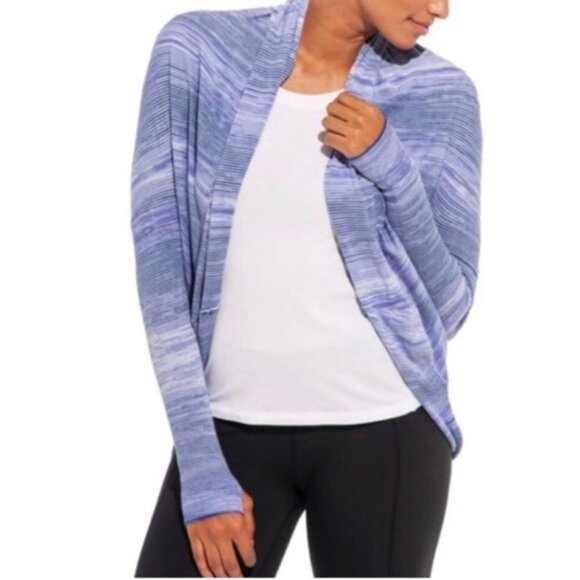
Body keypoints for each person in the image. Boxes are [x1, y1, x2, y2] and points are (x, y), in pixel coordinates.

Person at [131, 0, 482, 577]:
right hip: (227, 433)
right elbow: (162, 268)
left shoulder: (441, 94)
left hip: (385, 436)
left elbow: (452, 306)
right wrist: (200, 465)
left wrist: (392, 168)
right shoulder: (200, 51)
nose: (441, 8)